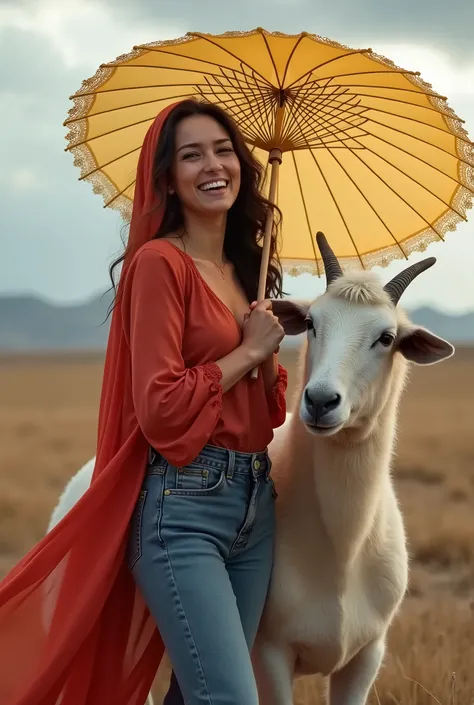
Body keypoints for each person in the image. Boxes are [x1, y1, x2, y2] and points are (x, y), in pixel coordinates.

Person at [0, 98, 287, 705]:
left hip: (255, 506)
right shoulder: (160, 264)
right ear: (167, 179)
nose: (213, 164)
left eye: (223, 149)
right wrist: (244, 354)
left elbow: (264, 419)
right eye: (191, 155)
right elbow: (158, 408)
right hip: (184, 510)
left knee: (200, 694)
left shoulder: (245, 270)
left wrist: (264, 359)